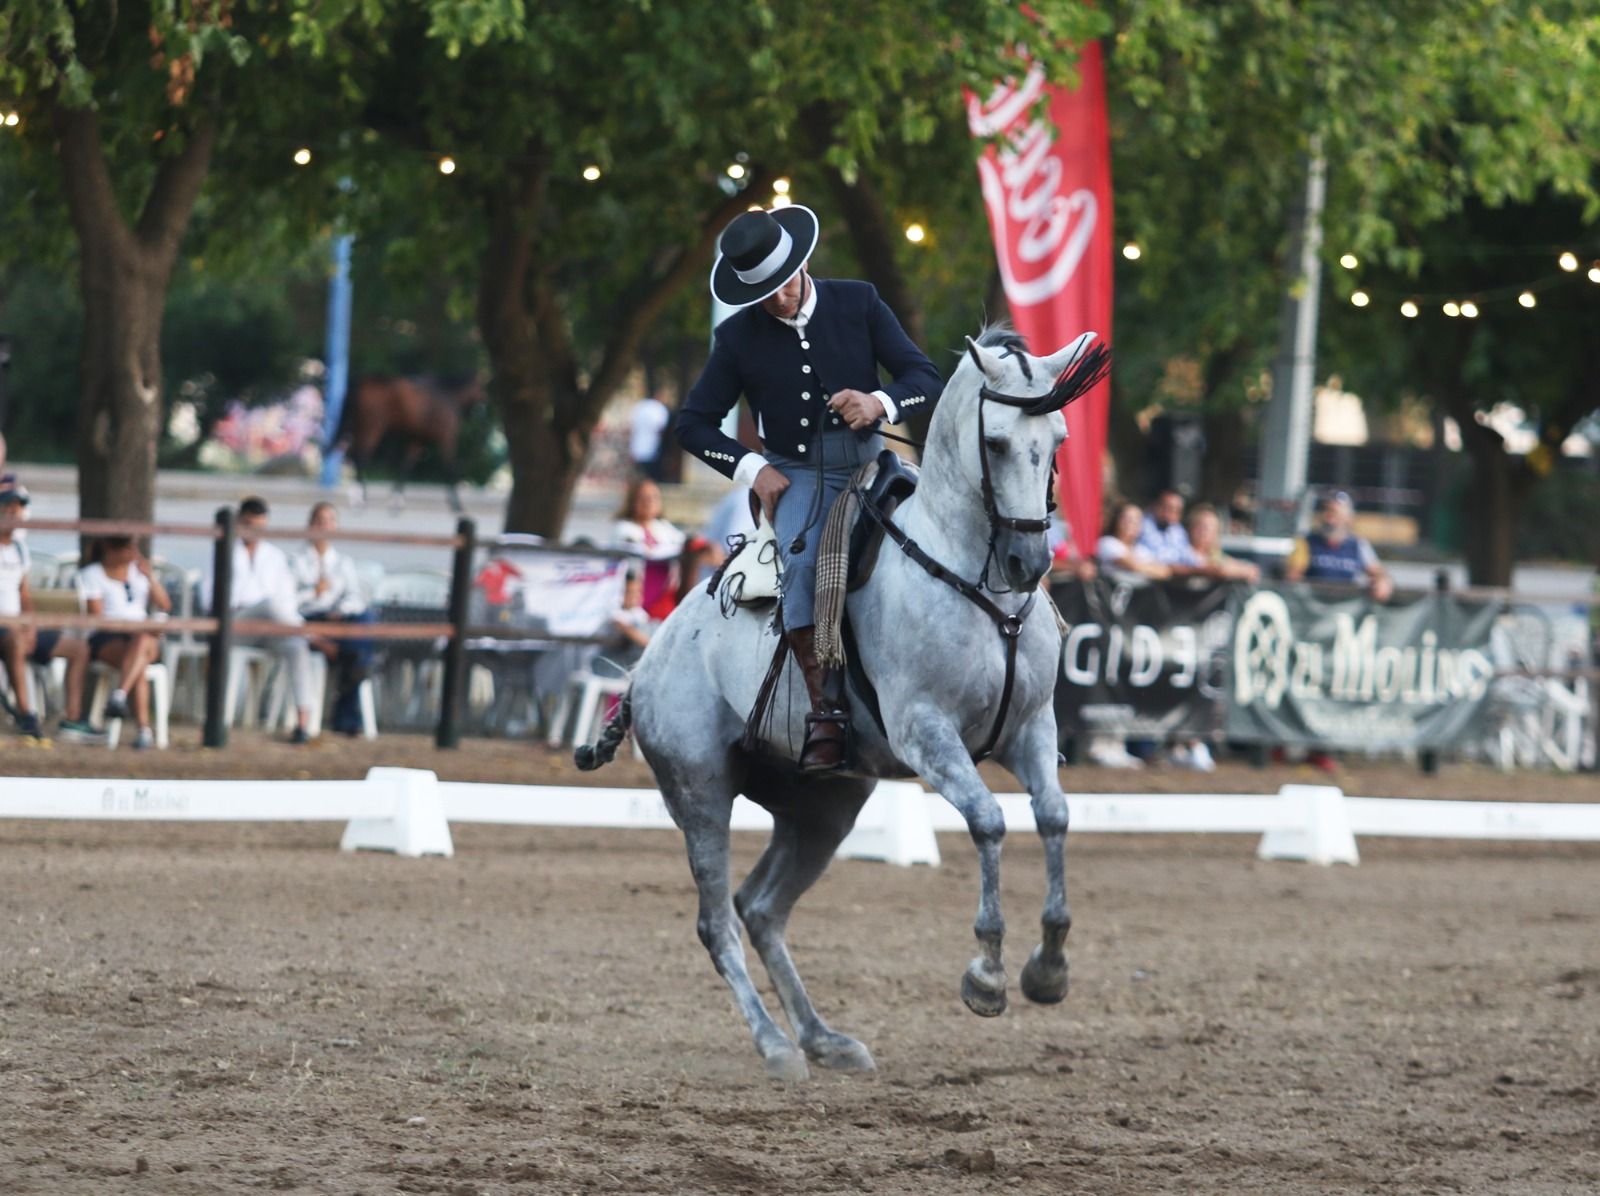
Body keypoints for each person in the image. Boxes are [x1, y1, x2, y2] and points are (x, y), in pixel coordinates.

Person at [676, 205, 943, 771]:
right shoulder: (736, 337)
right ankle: (827, 710)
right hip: (797, 473)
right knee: (800, 562)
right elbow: (692, 424)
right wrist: (752, 469)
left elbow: (925, 378)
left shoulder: (859, 301)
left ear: (801, 264)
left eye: (784, 284)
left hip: (874, 460)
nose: (778, 299)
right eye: (764, 293)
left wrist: (880, 402)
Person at [202, 496, 317, 742]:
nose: (254, 531)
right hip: (236, 623)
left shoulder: (275, 556)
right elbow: (208, 598)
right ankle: (309, 634)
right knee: (270, 605)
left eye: (260, 526)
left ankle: (302, 724)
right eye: (248, 524)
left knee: (296, 647)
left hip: (272, 628)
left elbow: (287, 601)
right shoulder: (225, 550)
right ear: (239, 522)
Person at [0, 478, 101, 742]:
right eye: (8, 508)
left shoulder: (19, 550)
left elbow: (23, 594)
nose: (14, 514)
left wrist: (30, 624)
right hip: (5, 629)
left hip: (18, 626)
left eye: (17, 508)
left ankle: (72, 718)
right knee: (14, 641)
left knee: (79, 649)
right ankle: (26, 714)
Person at [77, 536, 171, 748]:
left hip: (140, 637)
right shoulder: (93, 574)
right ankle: (142, 729)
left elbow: (165, 604)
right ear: (111, 550)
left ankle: (120, 697)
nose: (134, 554)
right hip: (110, 636)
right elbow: (97, 617)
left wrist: (150, 576)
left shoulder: (138, 573)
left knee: (141, 645)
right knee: (139, 662)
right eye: (129, 549)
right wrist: (133, 627)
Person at [291, 501, 374, 736]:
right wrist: (313, 593)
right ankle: (346, 716)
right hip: (309, 620)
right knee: (359, 653)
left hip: (337, 620)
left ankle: (350, 660)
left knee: (366, 619)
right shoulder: (296, 561)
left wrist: (341, 609)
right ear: (310, 525)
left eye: (329, 521)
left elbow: (355, 597)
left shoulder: (343, 563)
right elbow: (286, 605)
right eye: (319, 521)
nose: (324, 527)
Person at [1285, 490, 1394, 601]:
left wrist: (1382, 581)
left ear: (1348, 518)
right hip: (1313, 603)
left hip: (1345, 605)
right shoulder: (1306, 542)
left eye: (1334, 512)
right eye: (1326, 510)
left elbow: (1377, 572)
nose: (1329, 517)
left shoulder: (1358, 545)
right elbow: (1293, 576)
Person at [612, 478, 686, 622]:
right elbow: (642, 551)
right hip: (635, 593)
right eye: (643, 498)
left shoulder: (664, 527)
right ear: (632, 501)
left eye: (654, 497)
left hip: (661, 592)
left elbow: (684, 543)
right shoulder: (623, 528)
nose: (649, 502)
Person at [1185, 502, 1261, 583]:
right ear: (1191, 528)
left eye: (1212, 528)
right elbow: (1219, 569)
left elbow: (1225, 561)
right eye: (1203, 527)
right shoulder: (1185, 552)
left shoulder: (1212, 553)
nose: (1205, 532)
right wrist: (1242, 571)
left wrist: (1246, 569)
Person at [1097, 501, 1172, 580]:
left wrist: (1140, 567)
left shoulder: (1141, 549)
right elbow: (1131, 566)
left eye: (1136, 521)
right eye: (1126, 518)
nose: (1130, 523)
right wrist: (1150, 568)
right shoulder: (1107, 542)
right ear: (1117, 520)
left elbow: (1165, 572)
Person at [1137, 489, 1202, 572]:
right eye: (1166, 507)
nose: (1168, 513)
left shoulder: (1177, 529)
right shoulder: (1141, 524)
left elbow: (1188, 556)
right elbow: (1159, 560)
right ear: (1155, 506)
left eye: (1175, 510)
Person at [628, 394, 672, 482]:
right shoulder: (659, 409)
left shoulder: (640, 406)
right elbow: (661, 428)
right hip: (652, 448)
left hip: (638, 447)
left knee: (639, 474)